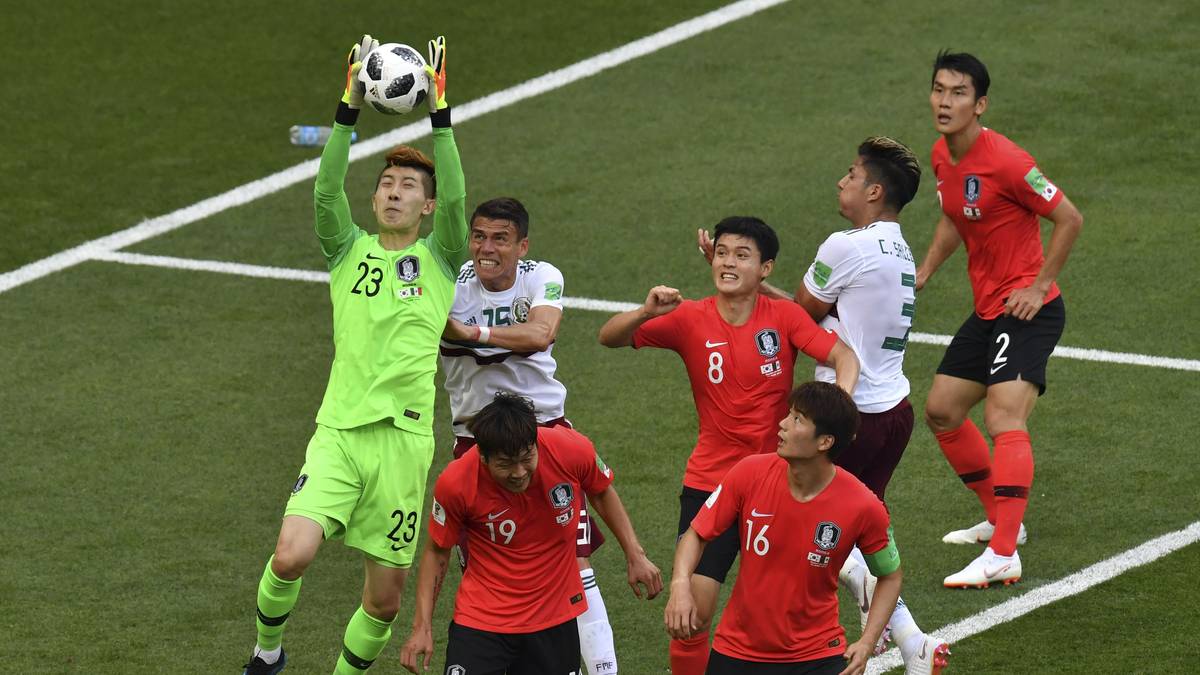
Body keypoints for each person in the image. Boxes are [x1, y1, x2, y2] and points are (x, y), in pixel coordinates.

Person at [240, 35, 468, 675]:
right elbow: (323, 193)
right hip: (338, 432)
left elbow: (457, 199)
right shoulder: (347, 251)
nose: (394, 192)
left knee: (386, 599)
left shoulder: (441, 259)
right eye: (386, 184)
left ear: (425, 207)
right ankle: (266, 654)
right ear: (374, 200)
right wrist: (348, 106)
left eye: (407, 187)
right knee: (291, 554)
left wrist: (441, 118)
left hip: (403, 443)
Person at [709, 137, 947, 673]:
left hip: (848, 414)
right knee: (858, 531)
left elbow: (800, 315)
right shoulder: (898, 246)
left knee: (820, 529)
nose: (842, 182)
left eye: (851, 174)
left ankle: (904, 635)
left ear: (875, 190)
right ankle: (902, 638)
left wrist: (741, 280)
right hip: (893, 410)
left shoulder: (847, 246)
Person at [598, 216, 860, 675]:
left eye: (742, 255)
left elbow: (842, 356)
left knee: (791, 606)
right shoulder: (688, 318)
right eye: (722, 253)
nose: (728, 262)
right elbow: (608, 337)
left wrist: (838, 406)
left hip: (778, 482)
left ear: (766, 268)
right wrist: (644, 312)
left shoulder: (784, 317)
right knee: (691, 618)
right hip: (712, 482)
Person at [916, 50, 1083, 588]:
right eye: (939, 89)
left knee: (1004, 418)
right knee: (942, 410)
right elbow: (952, 216)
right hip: (989, 309)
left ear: (980, 104)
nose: (945, 101)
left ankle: (1005, 553)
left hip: (1028, 309)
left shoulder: (1008, 160)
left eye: (958, 93)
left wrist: (1038, 286)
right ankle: (1002, 519)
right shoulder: (943, 156)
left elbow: (1068, 217)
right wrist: (924, 272)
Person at [438, 196, 619, 674]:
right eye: (479, 236)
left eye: (500, 238)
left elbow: (539, 334)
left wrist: (467, 333)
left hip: (545, 436)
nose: (486, 248)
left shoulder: (542, 275)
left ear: (523, 245)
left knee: (574, 563)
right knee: (483, 568)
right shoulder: (447, 283)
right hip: (474, 443)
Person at [398, 393, 663, 674]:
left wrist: (635, 554)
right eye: (505, 464)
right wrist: (422, 627)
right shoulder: (457, 482)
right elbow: (437, 551)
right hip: (482, 620)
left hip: (554, 619)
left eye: (527, 457)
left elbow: (601, 490)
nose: (519, 472)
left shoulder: (570, 449)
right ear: (483, 456)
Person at [665, 381, 902, 675]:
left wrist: (867, 642)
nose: (782, 424)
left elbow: (890, 576)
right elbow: (697, 533)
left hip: (817, 656)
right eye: (789, 414)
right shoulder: (748, 473)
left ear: (824, 442)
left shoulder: (864, 506)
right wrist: (680, 584)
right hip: (737, 652)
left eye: (797, 419)